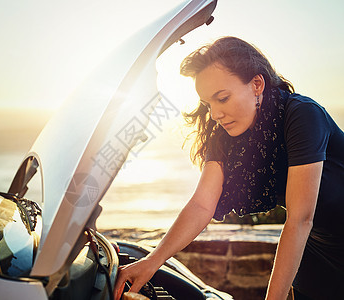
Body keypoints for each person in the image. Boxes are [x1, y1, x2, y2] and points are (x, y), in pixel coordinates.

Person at [114, 36, 344, 300]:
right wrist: (152, 261)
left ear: (257, 84)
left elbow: (300, 218)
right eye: (208, 104)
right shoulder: (224, 135)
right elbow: (202, 205)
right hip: (317, 252)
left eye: (222, 98)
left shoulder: (302, 115)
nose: (214, 114)